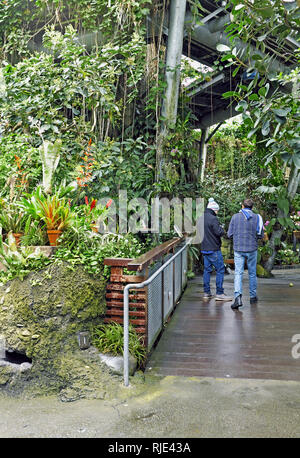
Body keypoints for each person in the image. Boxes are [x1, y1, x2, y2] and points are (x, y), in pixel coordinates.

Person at [227, 198, 264, 310]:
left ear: (242, 206)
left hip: (238, 249)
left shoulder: (235, 217)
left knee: (238, 273)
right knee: (252, 273)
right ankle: (252, 296)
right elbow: (260, 235)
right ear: (252, 207)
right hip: (252, 249)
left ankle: (238, 297)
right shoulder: (257, 217)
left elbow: (229, 234)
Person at [201, 198, 232, 301]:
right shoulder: (213, 218)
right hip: (213, 249)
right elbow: (218, 232)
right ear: (214, 209)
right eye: (217, 211)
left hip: (204, 248)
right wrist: (223, 230)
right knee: (220, 269)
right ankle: (219, 293)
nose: (217, 213)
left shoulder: (201, 217)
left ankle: (206, 292)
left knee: (207, 270)